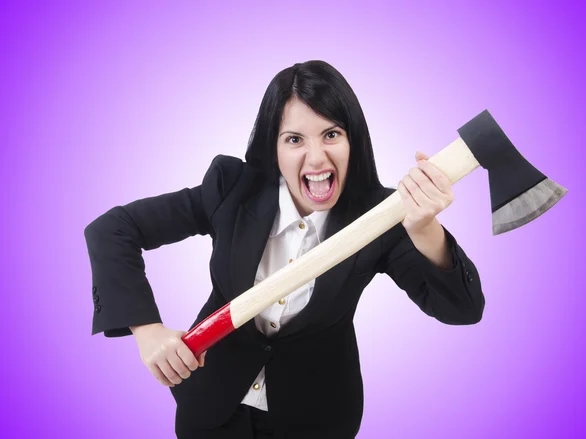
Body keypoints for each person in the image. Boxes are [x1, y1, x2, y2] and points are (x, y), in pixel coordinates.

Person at [83, 60, 485, 439]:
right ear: (274, 147)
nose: (316, 157)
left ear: (353, 140)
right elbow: (114, 229)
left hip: (314, 417)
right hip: (211, 406)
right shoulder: (231, 188)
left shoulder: (381, 216)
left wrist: (424, 227)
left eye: (331, 134)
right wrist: (146, 329)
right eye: (294, 139)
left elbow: (462, 310)